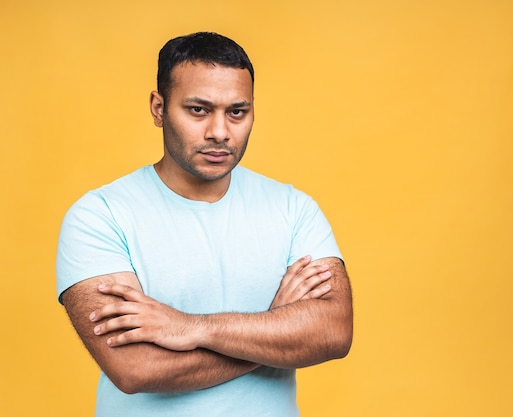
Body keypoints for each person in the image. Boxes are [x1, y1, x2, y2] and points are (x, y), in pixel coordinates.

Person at [56, 32, 353, 417]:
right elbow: (134, 369)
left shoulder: (294, 208)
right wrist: (273, 331)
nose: (219, 132)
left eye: (237, 112)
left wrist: (190, 327)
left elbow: (333, 332)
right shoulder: (100, 215)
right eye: (198, 110)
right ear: (159, 108)